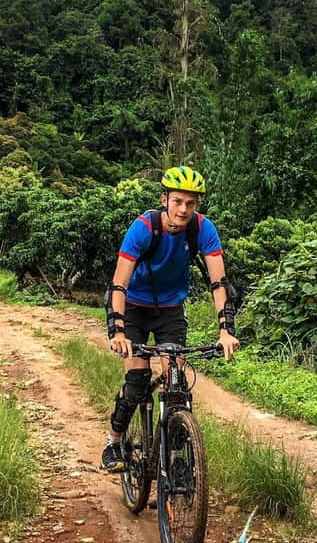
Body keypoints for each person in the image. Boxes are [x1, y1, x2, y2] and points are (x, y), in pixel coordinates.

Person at [101, 166, 240, 472]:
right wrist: (118, 330)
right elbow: (118, 285)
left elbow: (219, 283)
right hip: (134, 308)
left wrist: (226, 330)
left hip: (170, 311)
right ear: (164, 198)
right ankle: (113, 442)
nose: (183, 209)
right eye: (177, 201)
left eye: (190, 203)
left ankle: (174, 460)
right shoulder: (143, 228)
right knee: (136, 384)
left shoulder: (203, 229)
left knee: (176, 386)